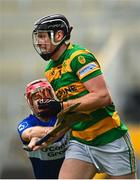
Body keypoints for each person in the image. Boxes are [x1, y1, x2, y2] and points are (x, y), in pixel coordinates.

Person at [31, 14, 137, 179]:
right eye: (37, 37)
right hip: (80, 143)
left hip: (110, 140)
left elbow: (103, 97)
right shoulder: (50, 70)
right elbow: (71, 114)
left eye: (43, 36)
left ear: (58, 35)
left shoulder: (78, 58)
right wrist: (51, 136)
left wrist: (61, 106)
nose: (39, 42)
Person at [17, 79, 69, 179]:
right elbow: (29, 132)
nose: (43, 101)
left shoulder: (63, 115)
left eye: (46, 97)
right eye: (37, 98)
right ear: (31, 103)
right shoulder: (26, 123)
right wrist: (66, 126)